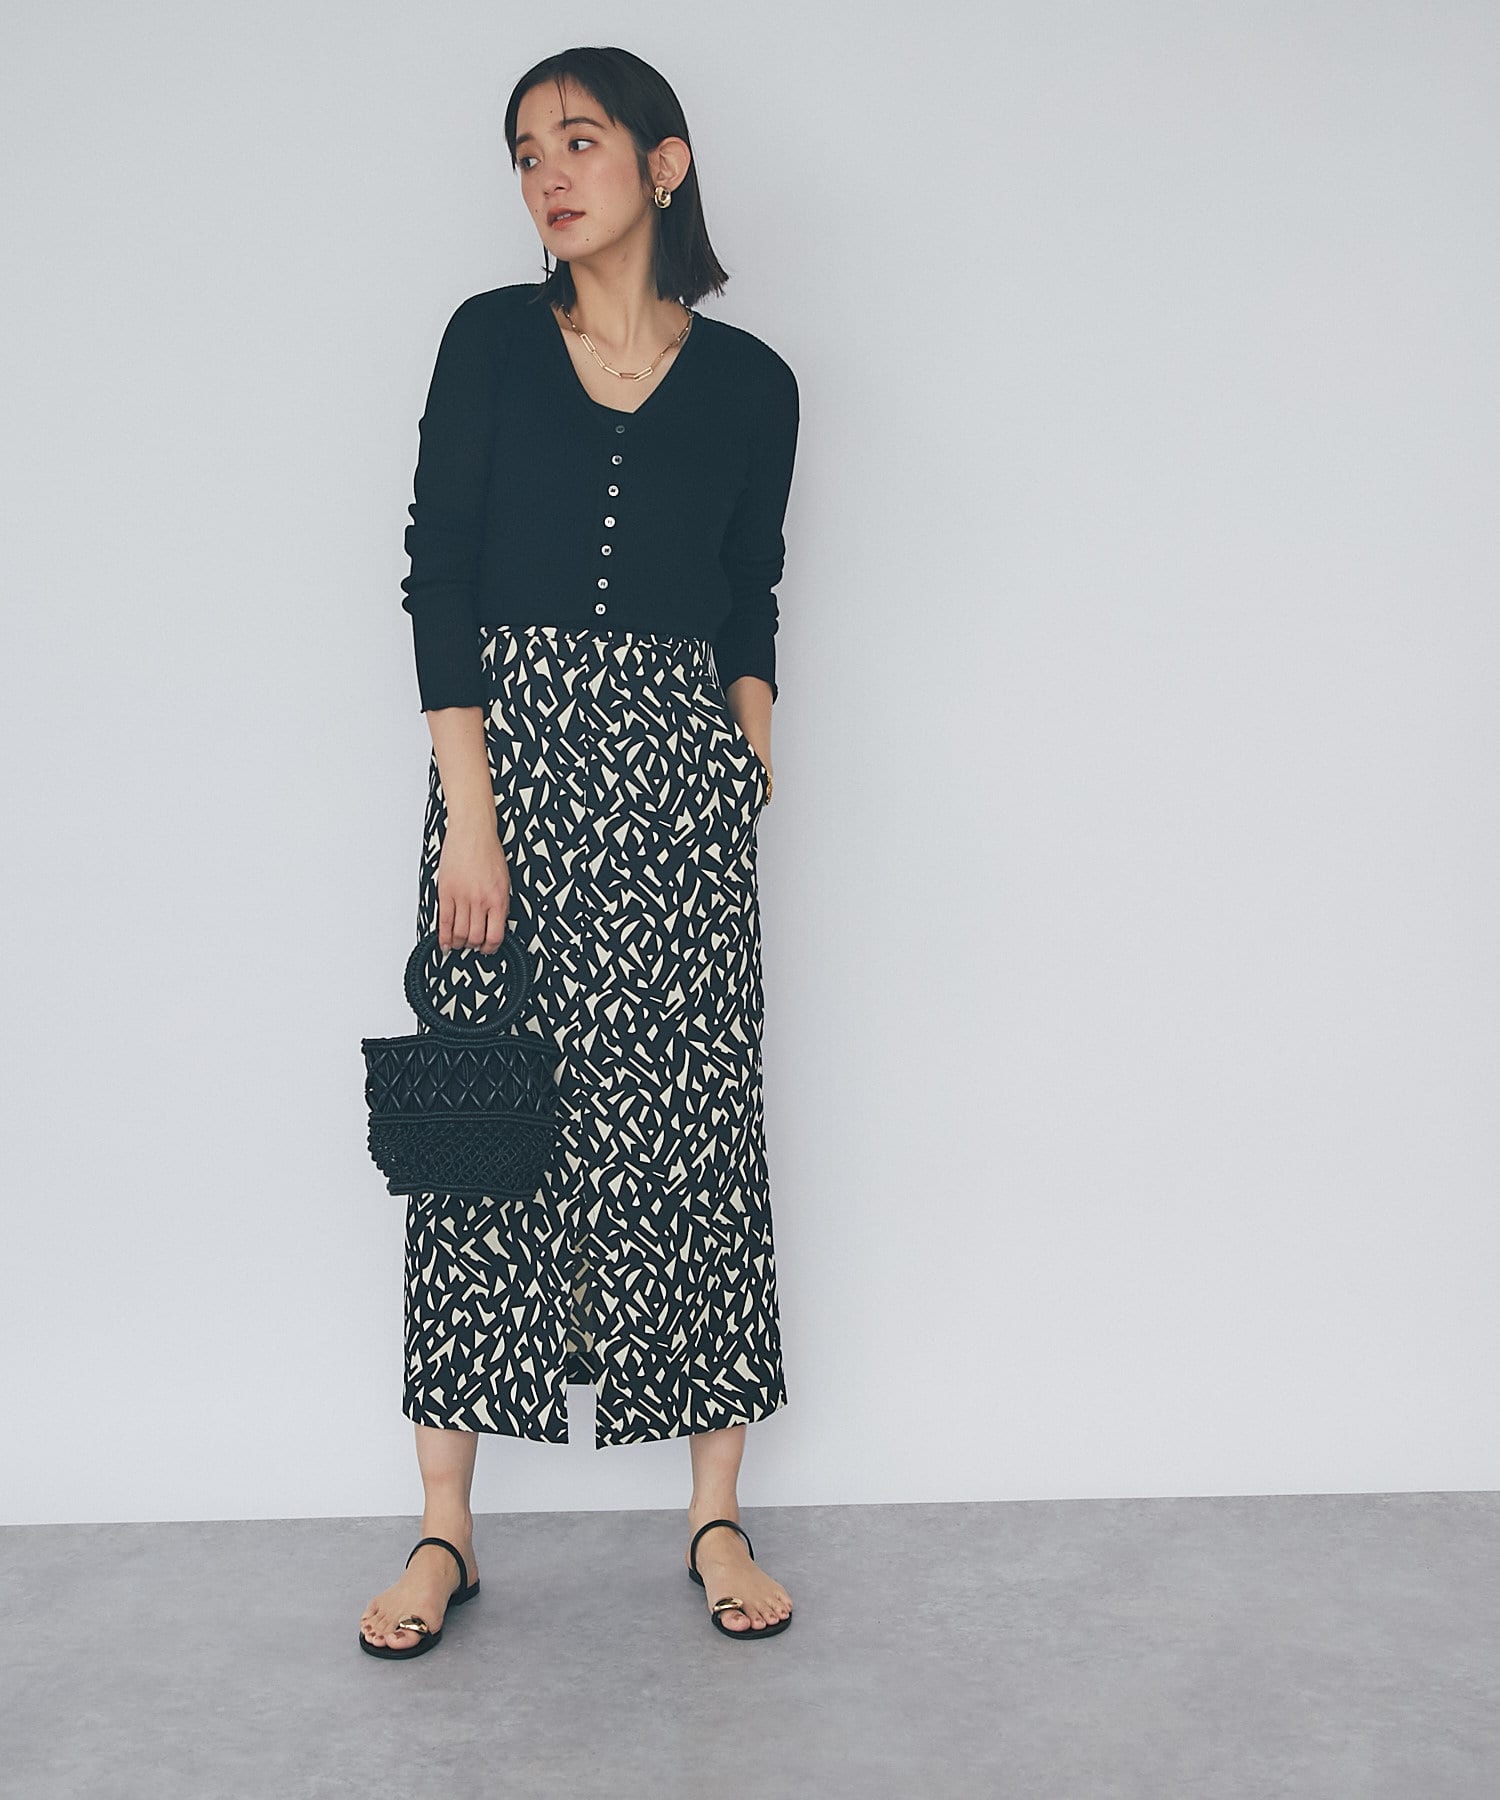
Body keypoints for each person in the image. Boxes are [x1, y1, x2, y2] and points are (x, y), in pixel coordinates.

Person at [359, 47, 800, 1657]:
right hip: (512, 776)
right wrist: (469, 818)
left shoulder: (753, 382)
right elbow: (439, 575)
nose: (549, 173)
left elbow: (749, 585)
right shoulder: (489, 340)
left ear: (663, 164)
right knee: (478, 1128)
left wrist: (751, 749)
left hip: (680, 782)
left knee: (695, 1121)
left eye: (581, 140)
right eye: (527, 151)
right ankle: (445, 1531)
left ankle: (714, 1512)